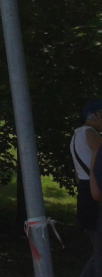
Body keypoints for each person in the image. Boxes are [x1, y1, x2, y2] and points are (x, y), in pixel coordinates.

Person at [76, 98, 102, 277]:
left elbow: (78, 175)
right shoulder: (91, 134)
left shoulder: (77, 133)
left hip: (85, 193)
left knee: (98, 252)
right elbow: (100, 162)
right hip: (95, 191)